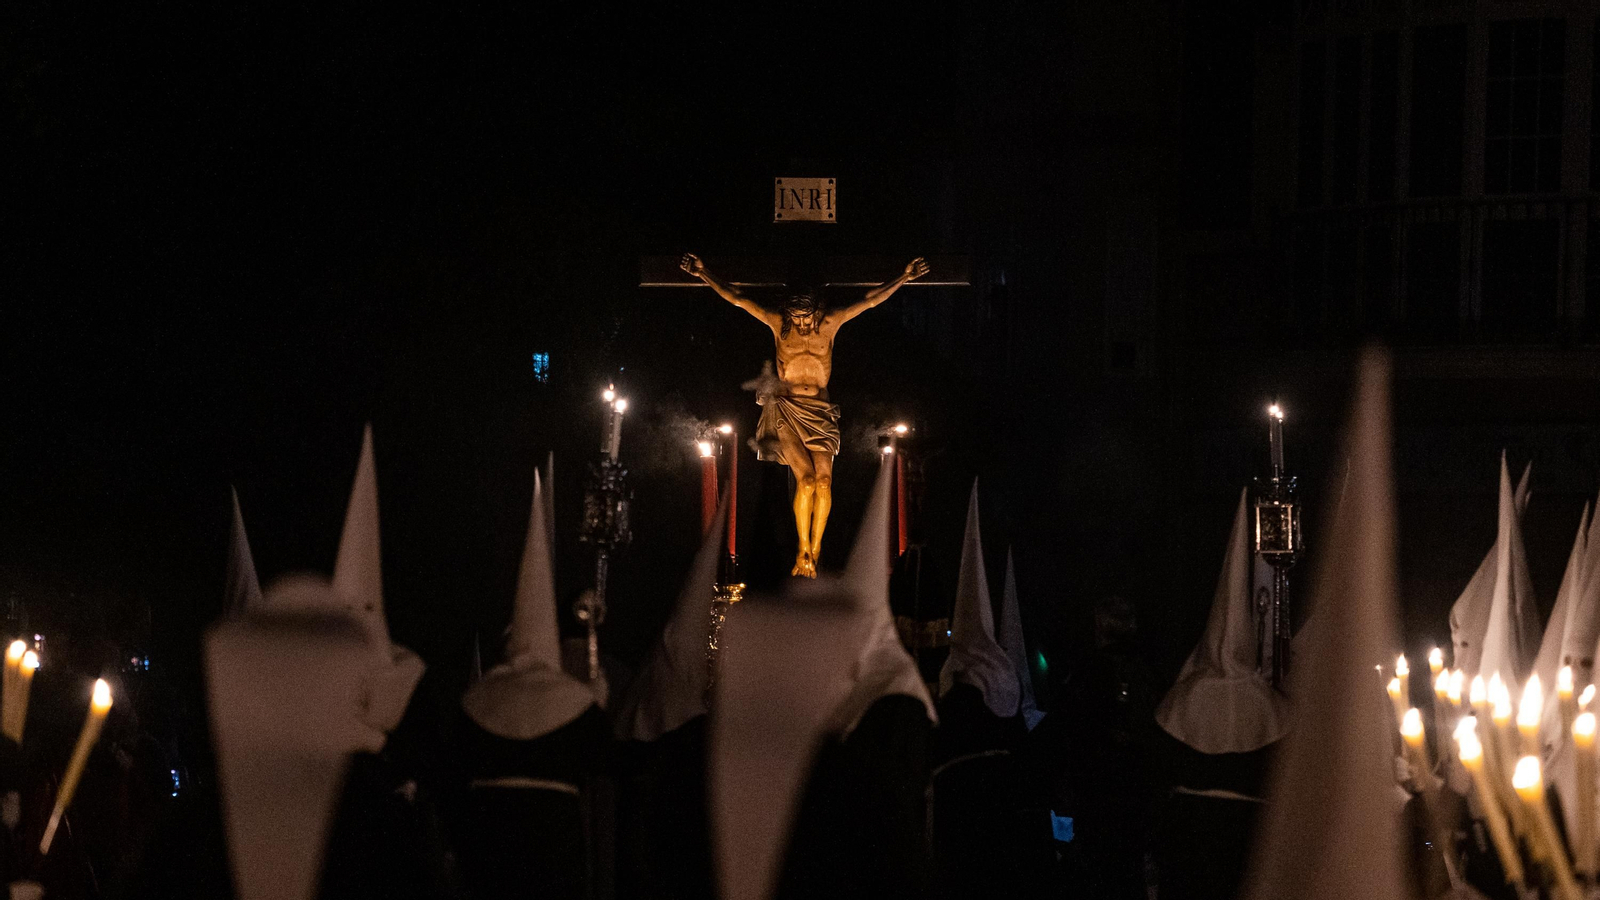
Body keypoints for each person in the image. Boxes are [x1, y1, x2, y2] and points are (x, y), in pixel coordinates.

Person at [680, 252, 929, 576]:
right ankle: (802, 553)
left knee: (824, 483)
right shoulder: (777, 324)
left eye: (805, 317)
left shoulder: (830, 323)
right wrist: (704, 273)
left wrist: (905, 277)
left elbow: (870, 301)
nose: (801, 323)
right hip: (787, 409)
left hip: (821, 412)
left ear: (816, 309)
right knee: (807, 480)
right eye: (795, 318)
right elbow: (739, 299)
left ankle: (816, 547)